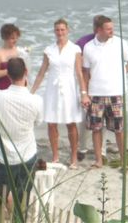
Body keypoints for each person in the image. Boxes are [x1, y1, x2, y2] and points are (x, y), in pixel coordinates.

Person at [31, 18, 89, 168]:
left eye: (62, 29)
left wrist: (83, 93)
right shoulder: (49, 50)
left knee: (71, 123)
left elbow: (79, 73)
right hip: (52, 89)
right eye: (57, 30)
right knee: (51, 123)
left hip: (69, 88)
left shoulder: (75, 49)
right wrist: (31, 92)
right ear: (54, 31)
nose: (60, 32)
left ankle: (74, 157)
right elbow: (42, 72)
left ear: (67, 30)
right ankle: (55, 156)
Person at [0, 57, 42, 221]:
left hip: (2, 154)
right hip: (27, 153)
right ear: (26, 72)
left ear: (8, 74)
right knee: (22, 199)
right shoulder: (36, 100)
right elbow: (38, 122)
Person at [82, 15, 128, 168]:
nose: (112, 31)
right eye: (108, 29)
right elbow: (85, 72)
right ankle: (98, 160)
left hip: (116, 93)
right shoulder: (88, 47)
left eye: (112, 28)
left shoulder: (120, 43)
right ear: (99, 30)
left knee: (119, 129)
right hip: (95, 94)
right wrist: (84, 93)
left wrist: (121, 74)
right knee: (96, 129)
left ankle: (124, 162)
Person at [75, 15, 103, 162]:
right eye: (96, 27)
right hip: (86, 83)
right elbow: (77, 65)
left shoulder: (111, 42)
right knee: (85, 117)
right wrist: (83, 90)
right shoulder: (83, 42)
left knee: (102, 119)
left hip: (102, 85)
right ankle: (82, 148)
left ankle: (102, 151)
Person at [0, 23, 26, 94]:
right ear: (5, 38)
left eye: (16, 38)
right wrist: (12, 70)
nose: (15, 40)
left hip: (18, 89)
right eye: (12, 38)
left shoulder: (20, 51)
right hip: (1, 89)